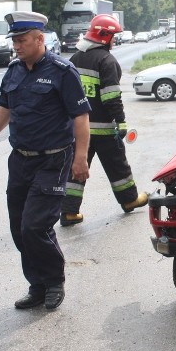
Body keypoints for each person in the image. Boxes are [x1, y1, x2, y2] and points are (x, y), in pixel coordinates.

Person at [0, 11, 91, 311]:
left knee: (35, 226)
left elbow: (80, 116)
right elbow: (5, 108)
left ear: (40, 39)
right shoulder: (14, 71)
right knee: (18, 227)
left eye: (22, 40)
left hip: (53, 160)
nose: (17, 45)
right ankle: (37, 285)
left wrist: (81, 158)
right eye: (14, 40)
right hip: (20, 160)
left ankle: (54, 281)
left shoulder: (62, 71)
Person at [60, 14, 148, 226]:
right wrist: (122, 121)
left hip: (78, 129)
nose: (115, 41)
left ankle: (69, 212)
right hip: (103, 130)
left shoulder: (75, 59)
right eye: (113, 37)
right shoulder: (107, 61)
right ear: (104, 36)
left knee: (77, 168)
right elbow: (110, 96)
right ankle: (129, 201)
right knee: (118, 167)